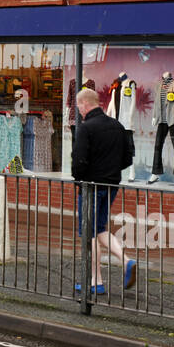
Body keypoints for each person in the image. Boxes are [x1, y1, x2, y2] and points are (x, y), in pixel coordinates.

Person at [71, 87, 137, 295]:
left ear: (85, 104)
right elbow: (127, 158)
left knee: (89, 233)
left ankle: (94, 281)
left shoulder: (86, 128)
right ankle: (125, 262)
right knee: (99, 229)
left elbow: (78, 160)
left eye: (79, 106)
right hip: (110, 186)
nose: (79, 110)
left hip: (90, 186)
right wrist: (110, 171)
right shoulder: (117, 126)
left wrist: (79, 179)